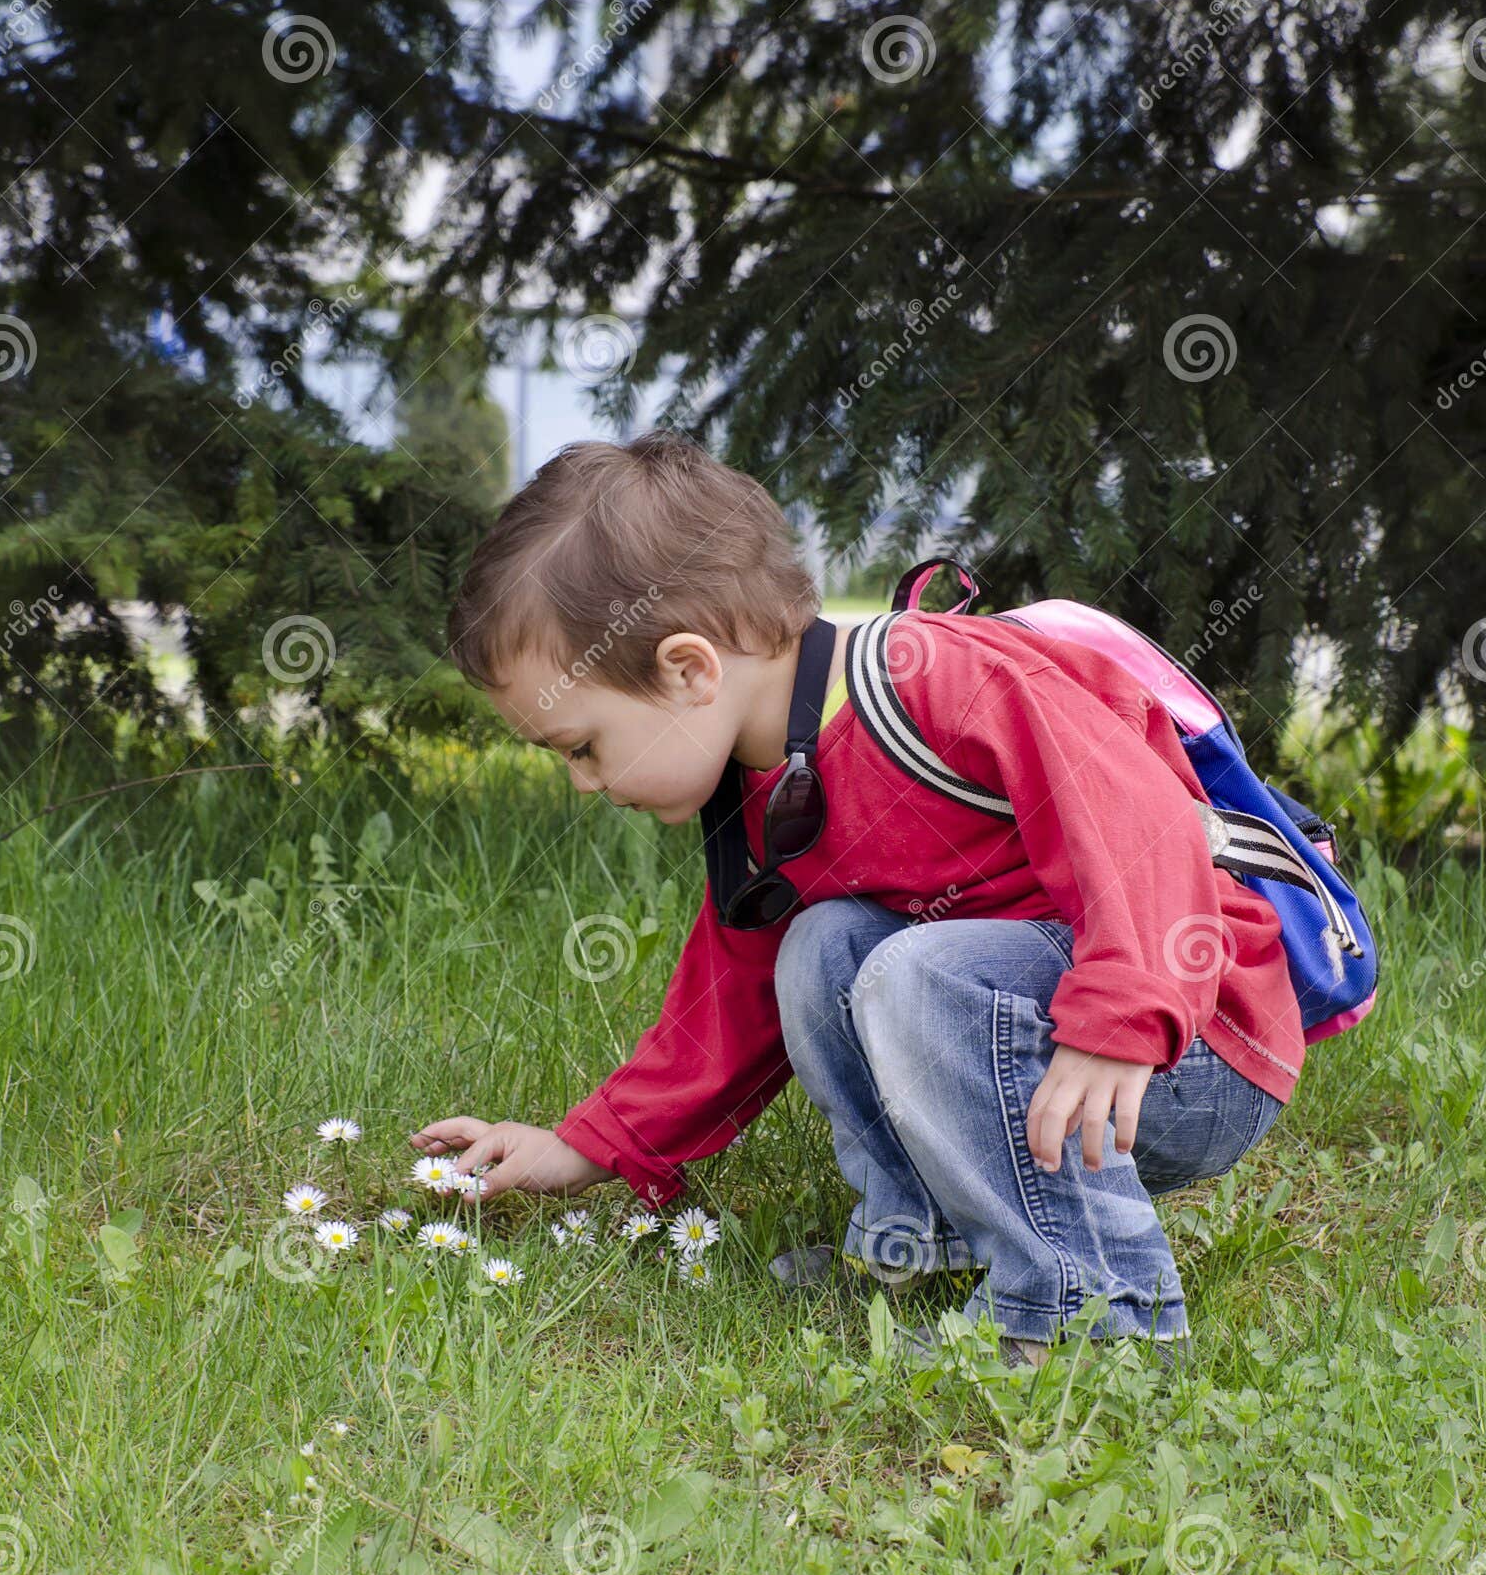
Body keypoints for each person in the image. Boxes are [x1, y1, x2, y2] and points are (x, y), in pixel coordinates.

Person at [411, 430, 1303, 1367]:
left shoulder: (941, 681)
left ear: (689, 669)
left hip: (1190, 1046)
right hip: (1043, 1057)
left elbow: (1144, 824)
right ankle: (924, 1245)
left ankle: (1097, 1316)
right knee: (821, 946)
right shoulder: (759, 794)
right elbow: (729, 1006)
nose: (582, 783)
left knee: (919, 972)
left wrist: (1121, 1017)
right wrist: (589, 1147)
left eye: (582, 745)